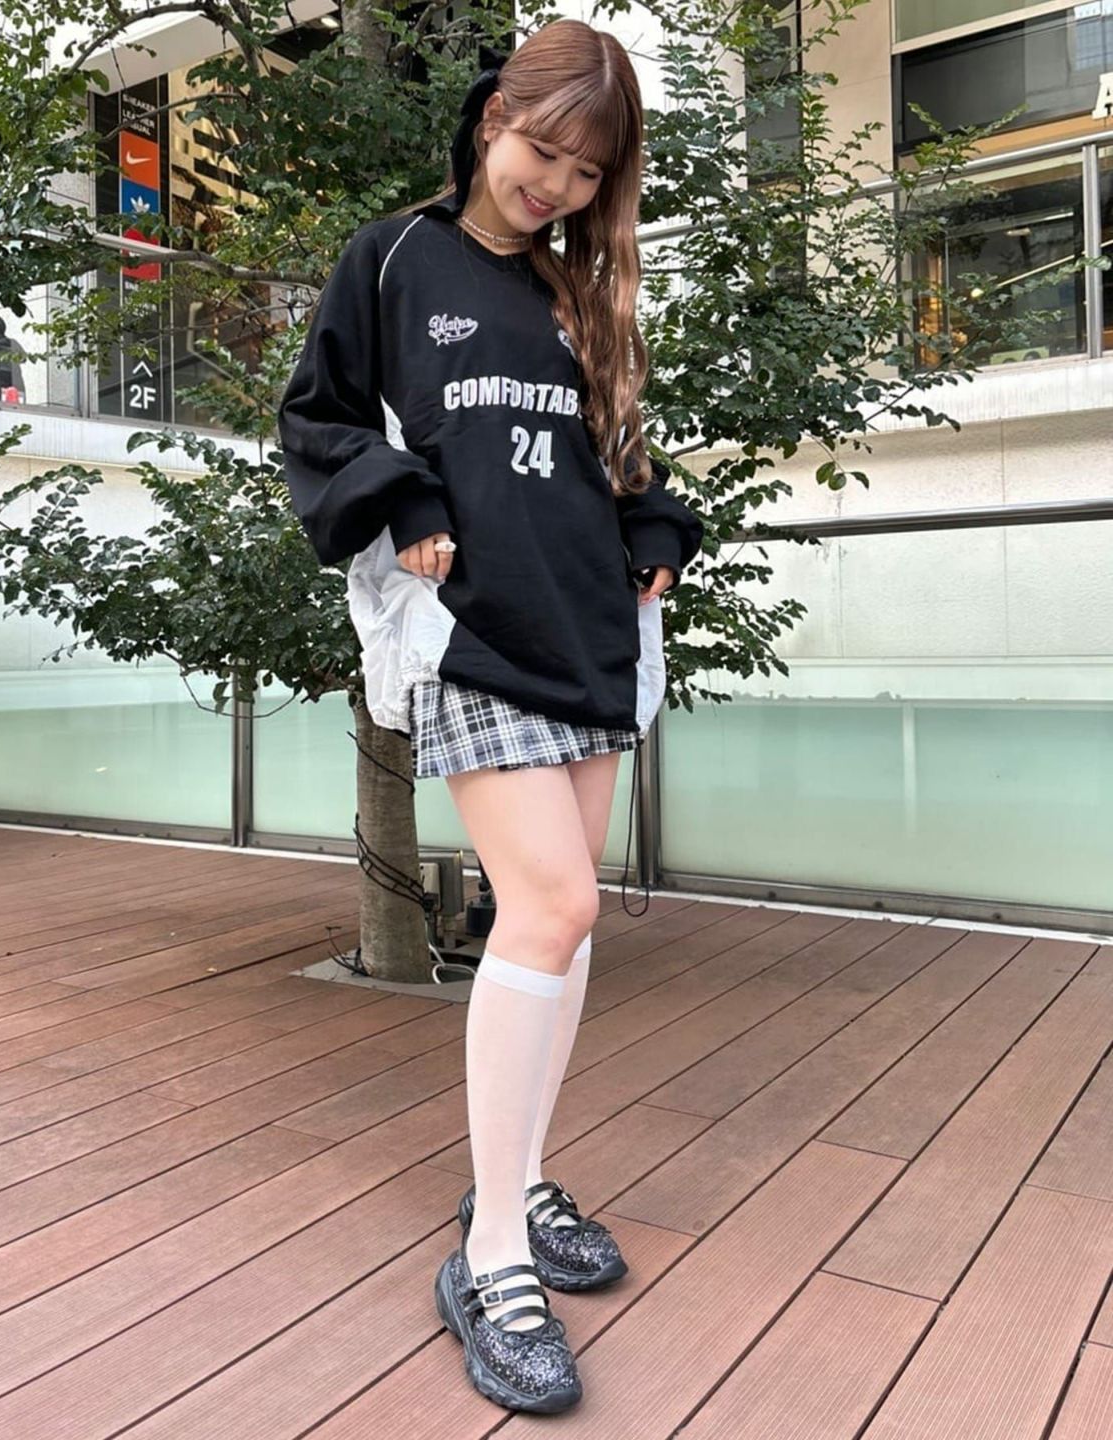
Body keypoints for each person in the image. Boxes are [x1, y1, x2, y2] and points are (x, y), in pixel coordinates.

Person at [278, 20, 703, 1416]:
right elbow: (320, 420)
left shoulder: (583, 292)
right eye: (542, 148)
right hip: (473, 634)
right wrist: (402, 499)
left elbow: (616, 454)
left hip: (589, 628)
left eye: (587, 171)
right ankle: (495, 1252)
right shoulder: (394, 258)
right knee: (555, 904)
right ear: (488, 119)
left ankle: (511, 1179)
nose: (556, 184)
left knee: (559, 928)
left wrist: (653, 526)